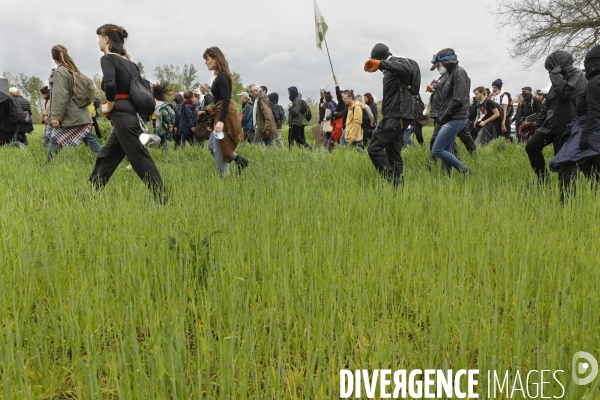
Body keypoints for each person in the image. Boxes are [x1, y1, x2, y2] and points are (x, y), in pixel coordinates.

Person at [88, 24, 165, 202]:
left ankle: (161, 197)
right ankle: (92, 192)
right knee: (107, 155)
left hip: (121, 112)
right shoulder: (131, 64)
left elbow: (109, 84)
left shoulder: (107, 59)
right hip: (129, 112)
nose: (98, 41)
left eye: (99, 37)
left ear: (106, 39)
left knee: (139, 156)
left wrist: (110, 105)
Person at [525, 50, 586, 184]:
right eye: (549, 70)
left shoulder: (578, 75)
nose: (550, 72)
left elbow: (565, 94)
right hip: (551, 125)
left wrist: (555, 75)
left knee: (564, 160)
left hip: (567, 126)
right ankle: (542, 179)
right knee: (531, 147)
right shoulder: (556, 78)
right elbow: (548, 104)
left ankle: (566, 196)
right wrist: (538, 122)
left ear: (559, 65)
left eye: (551, 68)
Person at [550, 45, 600, 202]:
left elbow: (594, 111)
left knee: (566, 160)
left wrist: (585, 135)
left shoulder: (594, 82)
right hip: (592, 129)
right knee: (590, 164)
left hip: (589, 128)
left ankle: (567, 205)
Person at [364, 43, 419, 186]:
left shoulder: (395, 62)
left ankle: (392, 181)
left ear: (377, 58)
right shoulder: (390, 69)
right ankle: (398, 187)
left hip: (397, 116)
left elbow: (406, 69)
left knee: (374, 148)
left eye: (373, 59)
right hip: (398, 116)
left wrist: (381, 63)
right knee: (393, 152)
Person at [47, 45, 102, 161]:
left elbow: (60, 96)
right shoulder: (73, 71)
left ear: (53, 57)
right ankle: (106, 160)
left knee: (55, 138)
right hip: (82, 114)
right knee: (89, 139)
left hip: (71, 116)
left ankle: (47, 166)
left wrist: (56, 117)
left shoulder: (60, 72)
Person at [203, 46, 249, 175]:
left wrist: (221, 122)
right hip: (219, 114)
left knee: (219, 149)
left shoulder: (222, 76)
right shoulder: (219, 77)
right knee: (211, 146)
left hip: (223, 115)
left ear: (216, 59)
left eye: (207, 59)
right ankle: (240, 160)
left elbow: (226, 100)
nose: (206, 62)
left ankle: (225, 179)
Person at [429, 48, 474, 176]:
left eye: (438, 65)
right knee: (446, 149)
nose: (438, 68)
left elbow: (458, 99)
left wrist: (442, 116)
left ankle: (465, 170)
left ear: (445, 62)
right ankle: (446, 178)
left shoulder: (459, 72)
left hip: (456, 117)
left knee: (437, 150)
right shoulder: (449, 74)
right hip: (451, 117)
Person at [287, 86, 312, 150]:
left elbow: (295, 112)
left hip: (295, 122)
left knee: (291, 138)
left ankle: (290, 151)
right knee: (296, 137)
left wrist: (290, 107)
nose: (288, 93)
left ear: (292, 92)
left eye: (289, 92)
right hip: (295, 122)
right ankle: (309, 148)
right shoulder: (296, 100)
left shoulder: (297, 100)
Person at [151, 81, 175, 150]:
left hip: (159, 122)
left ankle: (164, 154)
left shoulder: (157, 102)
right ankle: (161, 153)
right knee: (161, 138)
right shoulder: (161, 101)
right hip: (158, 121)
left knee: (161, 139)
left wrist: (169, 124)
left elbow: (165, 114)